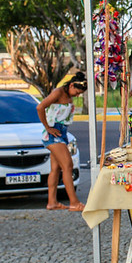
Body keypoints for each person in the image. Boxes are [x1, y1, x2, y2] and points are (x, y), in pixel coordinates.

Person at [37, 71, 87, 211]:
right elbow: (40, 107)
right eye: (76, 92)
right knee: (68, 166)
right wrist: (47, 127)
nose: (77, 95)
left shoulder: (67, 94)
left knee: (56, 168)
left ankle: (52, 202)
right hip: (54, 133)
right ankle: (74, 202)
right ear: (71, 85)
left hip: (62, 132)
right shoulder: (58, 92)